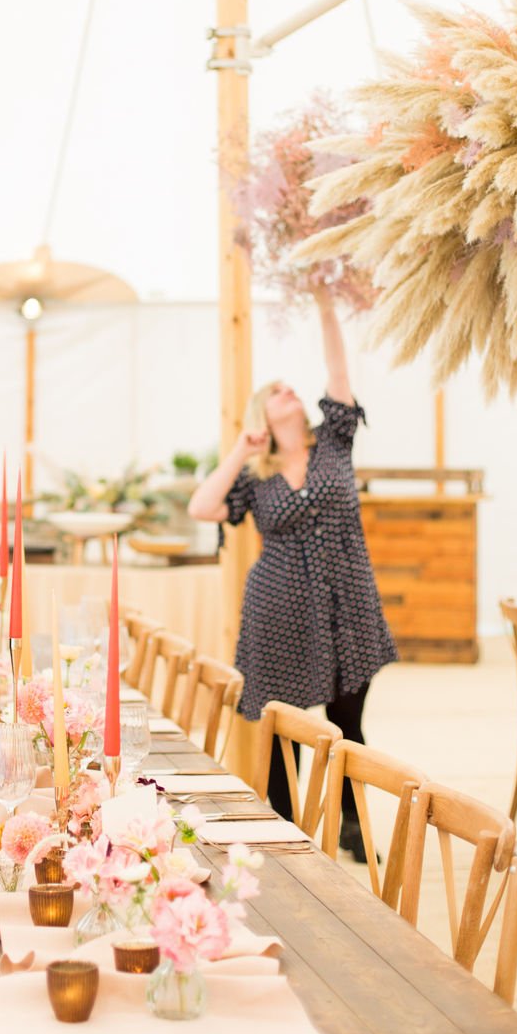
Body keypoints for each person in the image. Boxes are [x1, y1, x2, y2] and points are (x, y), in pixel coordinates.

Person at [189, 289, 397, 859]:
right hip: (278, 607)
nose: (290, 390)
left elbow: (337, 367)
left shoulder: (333, 442)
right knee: (284, 727)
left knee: (347, 722)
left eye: (291, 388)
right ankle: (285, 828)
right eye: (276, 389)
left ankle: (353, 828)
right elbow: (201, 508)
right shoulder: (256, 474)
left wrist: (325, 303)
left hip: (346, 599)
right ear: (264, 412)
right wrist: (239, 447)